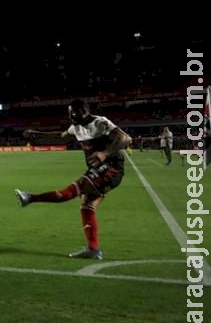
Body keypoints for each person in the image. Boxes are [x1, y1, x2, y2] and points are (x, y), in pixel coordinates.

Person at [16, 99, 131, 260]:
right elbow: (61, 136)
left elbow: (126, 138)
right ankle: (93, 249)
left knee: (73, 190)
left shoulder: (100, 122)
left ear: (84, 111)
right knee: (86, 205)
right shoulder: (75, 127)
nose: (71, 116)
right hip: (96, 170)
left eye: (74, 113)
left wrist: (104, 153)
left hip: (111, 168)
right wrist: (37, 134)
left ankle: (30, 198)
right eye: (69, 113)